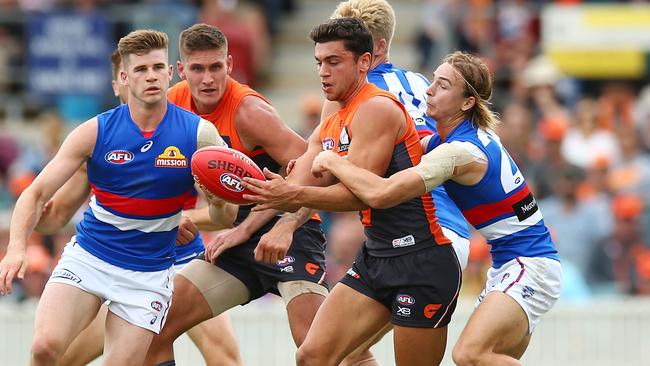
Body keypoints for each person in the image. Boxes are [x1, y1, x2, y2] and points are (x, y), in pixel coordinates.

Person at [298, 51, 563, 365]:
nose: (429, 90)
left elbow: (381, 193)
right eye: (433, 81)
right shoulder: (449, 140)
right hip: (510, 261)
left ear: (467, 103)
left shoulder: (460, 152)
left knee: (470, 355)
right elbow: (391, 155)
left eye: (443, 85)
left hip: (528, 263)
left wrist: (330, 161)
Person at [0, 29, 232, 366]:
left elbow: (226, 218)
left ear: (169, 73)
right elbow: (35, 194)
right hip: (91, 257)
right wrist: (16, 248)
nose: (150, 76)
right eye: (140, 70)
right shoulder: (95, 132)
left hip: (148, 275)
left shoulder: (199, 135)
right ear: (124, 78)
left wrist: (219, 201)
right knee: (44, 348)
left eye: (157, 67)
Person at [242, 18, 462, 366]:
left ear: (363, 62)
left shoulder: (377, 108)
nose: (323, 72)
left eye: (333, 62)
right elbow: (301, 177)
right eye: (318, 62)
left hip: (420, 261)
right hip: (375, 257)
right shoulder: (333, 118)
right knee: (313, 357)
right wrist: (269, 209)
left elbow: (360, 195)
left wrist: (292, 197)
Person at [144, 23, 330, 366]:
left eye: (216, 67)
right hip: (235, 239)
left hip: (289, 230)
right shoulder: (171, 106)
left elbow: (317, 172)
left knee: (317, 350)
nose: (208, 79)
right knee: (151, 328)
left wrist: (284, 227)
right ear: (182, 71)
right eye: (197, 69)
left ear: (229, 64)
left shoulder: (250, 112)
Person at [331, 0, 470, 270]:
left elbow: (359, 189)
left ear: (379, 47)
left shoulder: (358, 95)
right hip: (450, 230)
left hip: (418, 234)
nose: (335, 60)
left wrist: (290, 214)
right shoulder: (421, 84)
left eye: (346, 49)